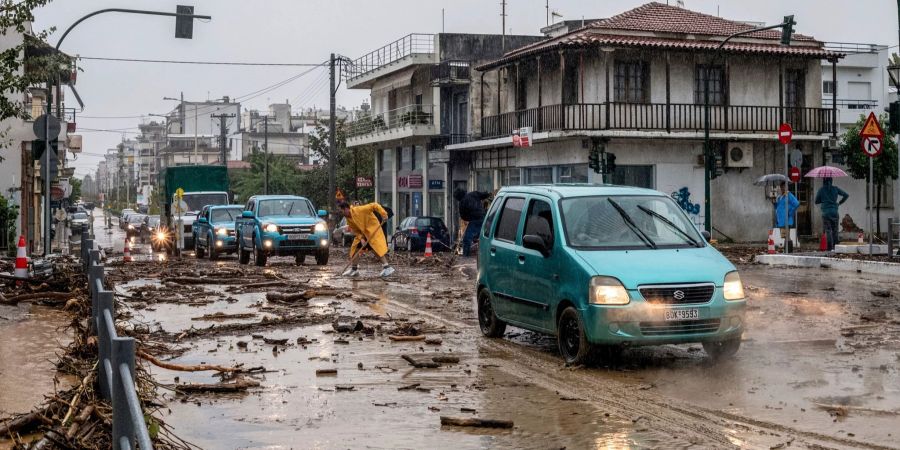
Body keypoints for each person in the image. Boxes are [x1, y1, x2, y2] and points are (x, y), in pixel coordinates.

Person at [339, 201, 395, 278]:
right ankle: (354, 269)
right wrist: (361, 239)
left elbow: (374, 205)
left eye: (342, 211)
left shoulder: (359, 209)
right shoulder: (348, 219)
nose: (341, 213)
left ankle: (387, 267)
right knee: (355, 248)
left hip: (372, 230)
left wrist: (384, 214)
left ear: (346, 209)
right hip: (363, 233)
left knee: (376, 249)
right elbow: (356, 230)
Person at [454, 189, 491, 257]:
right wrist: (488, 194)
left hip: (474, 221)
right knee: (485, 236)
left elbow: (463, 217)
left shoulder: (462, 203)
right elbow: (484, 195)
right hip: (483, 218)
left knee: (467, 239)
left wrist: (469, 218)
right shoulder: (474, 194)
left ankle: (466, 256)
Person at [814, 177, 849, 251]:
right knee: (835, 230)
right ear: (831, 181)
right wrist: (839, 203)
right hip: (834, 212)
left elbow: (816, 201)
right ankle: (836, 247)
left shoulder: (821, 190)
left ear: (824, 181)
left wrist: (823, 200)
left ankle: (830, 248)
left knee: (828, 230)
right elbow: (846, 195)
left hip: (826, 213)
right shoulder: (835, 189)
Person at [774, 182, 800, 248]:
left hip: (787, 219)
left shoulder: (789, 195)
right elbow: (778, 207)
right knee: (785, 236)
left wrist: (790, 211)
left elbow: (796, 204)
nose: (783, 188)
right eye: (781, 187)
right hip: (781, 219)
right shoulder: (780, 197)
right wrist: (774, 202)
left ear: (787, 187)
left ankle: (789, 251)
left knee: (787, 236)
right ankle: (786, 251)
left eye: (784, 187)